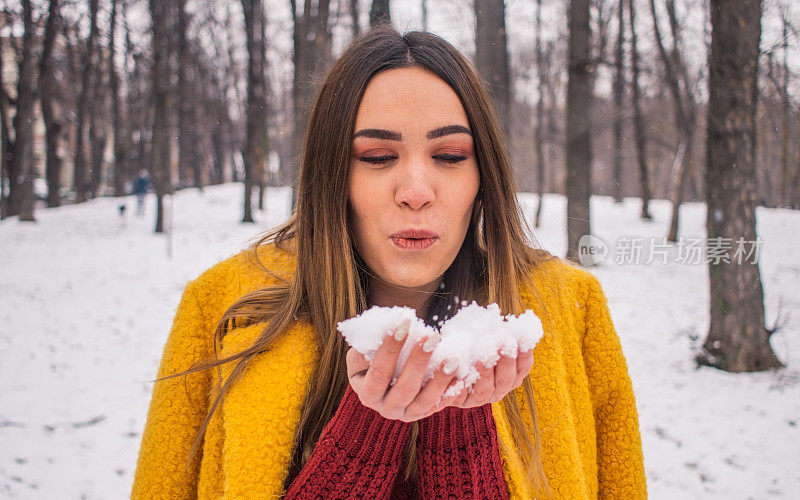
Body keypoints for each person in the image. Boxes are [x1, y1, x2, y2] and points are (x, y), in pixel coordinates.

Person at [131, 24, 647, 499]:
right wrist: (365, 434)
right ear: (333, 175)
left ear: (482, 174)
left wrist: (458, 428)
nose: (416, 192)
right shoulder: (222, 307)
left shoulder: (571, 309)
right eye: (377, 157)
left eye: (449, 156)